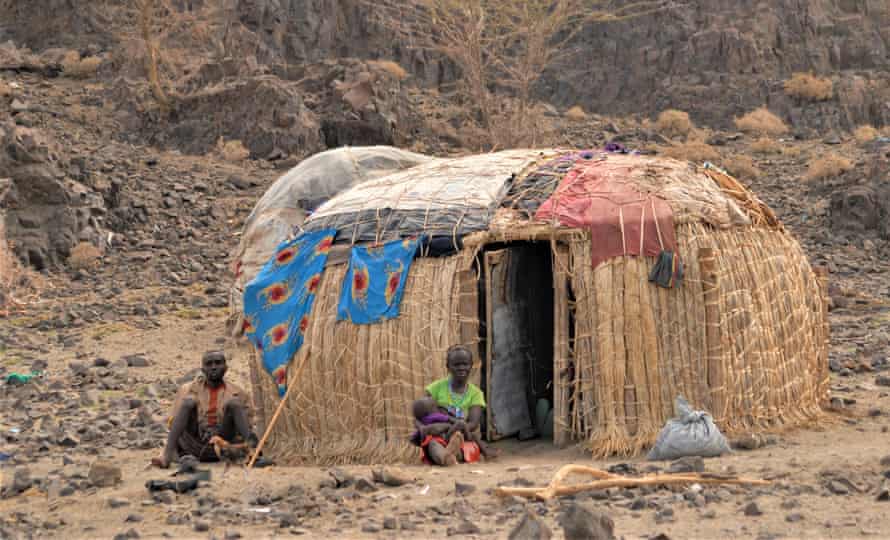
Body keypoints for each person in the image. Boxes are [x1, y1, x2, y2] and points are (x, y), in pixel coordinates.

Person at [151, 350, 254, 468]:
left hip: (223, 445)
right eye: (209, 364)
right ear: (202, 369)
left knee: (234, 403)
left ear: (226, 367)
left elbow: (247, 425)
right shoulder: (187, 389)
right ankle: (166, 457)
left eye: (218, 363)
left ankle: (253, 454)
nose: (213, 367)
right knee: (189, 402)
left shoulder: (239, 393)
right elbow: (173, 423)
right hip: (194, 442)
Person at [412, 345, 496, 465]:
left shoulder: (476, 394)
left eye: (465, 364)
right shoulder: (436, 388)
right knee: (432, 444)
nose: (461, 368)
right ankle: (445, 457)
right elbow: (420, 414)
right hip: (439, 437)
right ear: (448, 367)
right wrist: (423, 429)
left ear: (471, 365)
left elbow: (473, 423)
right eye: (456, 365)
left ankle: (451, 454)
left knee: (465, 446)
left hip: (464, 437)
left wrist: (457, 427)